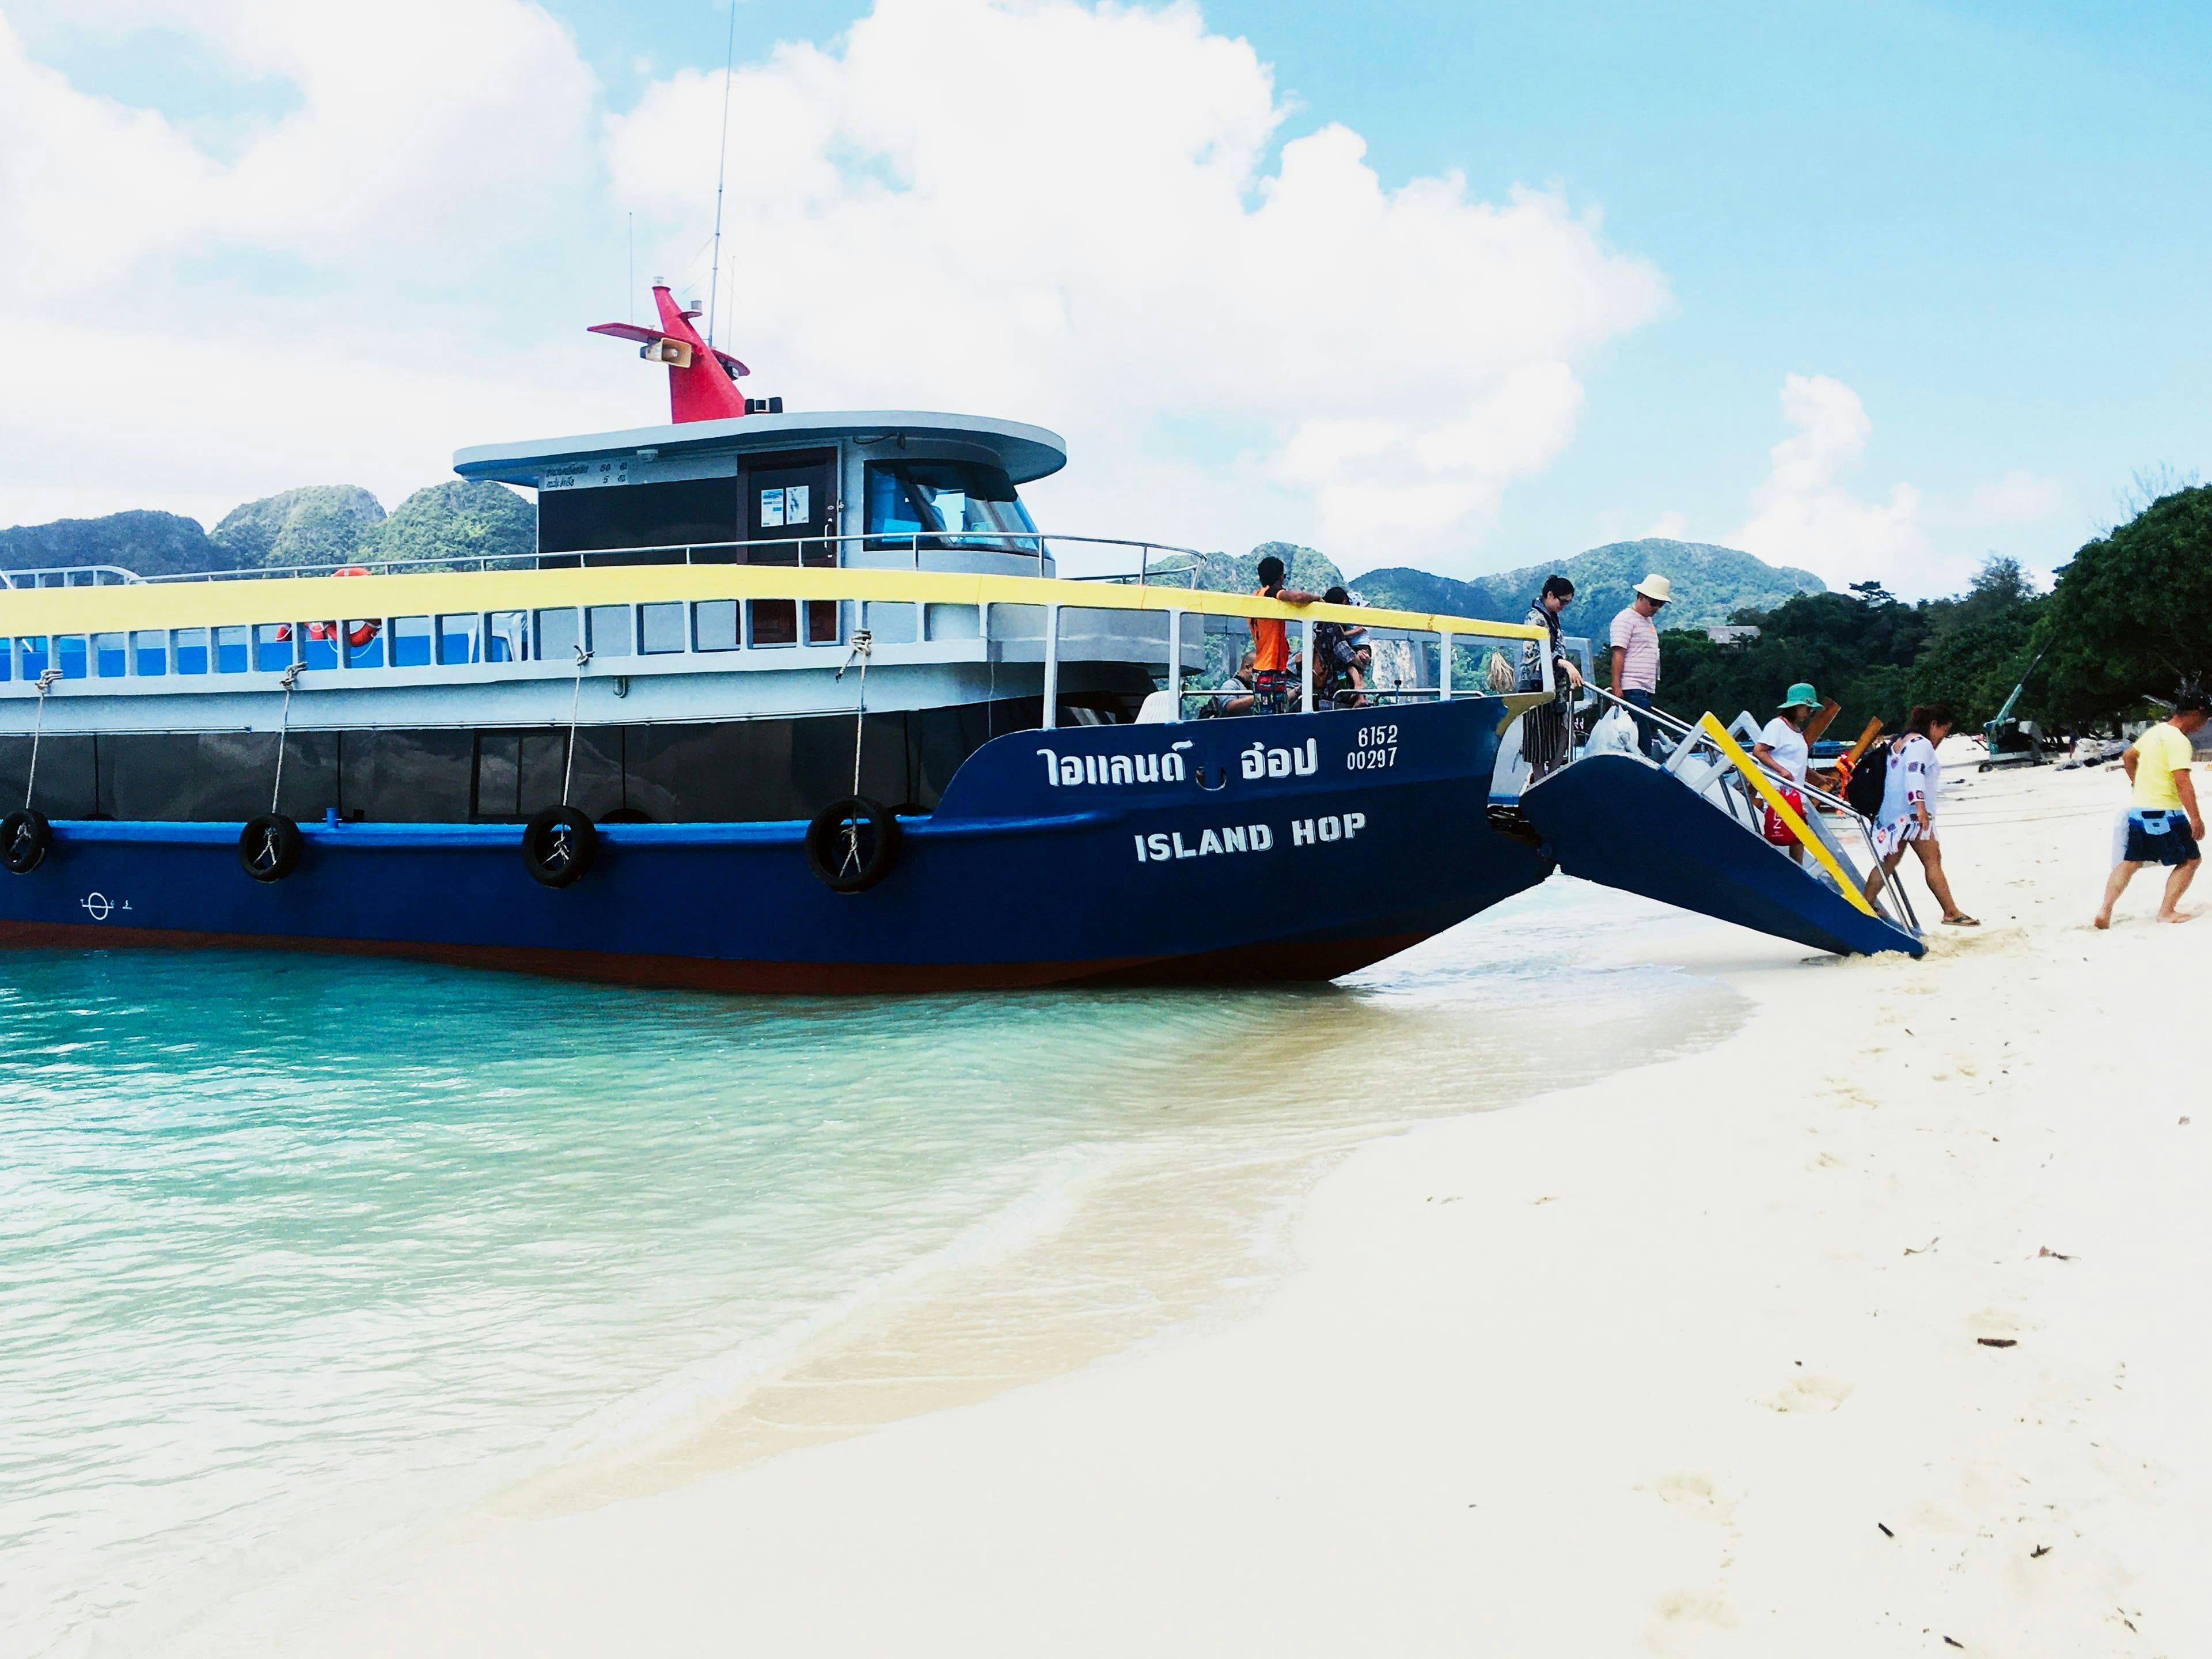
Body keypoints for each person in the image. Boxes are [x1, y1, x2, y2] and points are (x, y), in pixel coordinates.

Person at [2093, 691, 2206, 927]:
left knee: (2131, 861)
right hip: (2166, 812)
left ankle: (2105, 910)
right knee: (2191, 859)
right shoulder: (2178, 740)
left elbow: (2128, 756)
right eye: (2206, 718)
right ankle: (2166, 911)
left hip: (2139, 810)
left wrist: (2136, 783)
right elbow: (2182, 782)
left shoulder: (2155, 732)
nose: (2205, 724)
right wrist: (2196, 819)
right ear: (2196, 714)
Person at [1863, 703, 1978, 925]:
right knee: (1932, 861)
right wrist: (1921, 809)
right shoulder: (1922, 744)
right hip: (1913, 816)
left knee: (1887, 863)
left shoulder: (1900, 741)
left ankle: (1866, 902)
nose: (1944, 736)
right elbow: (1914, 775)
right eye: (1944, 730)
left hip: (1892, 815)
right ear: (1933, 725)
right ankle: (1951, 912)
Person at [1518, 575, 1583, 778]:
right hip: (1536, 687)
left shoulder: (1551, 617)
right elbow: (1535, 652)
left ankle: (1551, 775)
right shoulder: (1535, 617)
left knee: (1562, 729)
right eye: (1562, 601)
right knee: (1538, 740)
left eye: (1567, 603)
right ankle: (1539, 780)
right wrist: (1564, 664)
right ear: (1550, 595)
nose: (1564, 606)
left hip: (1554, 686)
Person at [1753, 682, 1820, 861]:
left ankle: (1797, 872)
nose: (1809, 714)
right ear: (1796, 707)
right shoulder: (1777, 726)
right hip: (1780, 791)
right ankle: (1785, 871)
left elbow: (1796, 762)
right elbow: (1759, 751)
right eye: (1808, 709)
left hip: (1796, 793)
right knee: (1785, 835)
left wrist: (1818, 776)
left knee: (1798, 838)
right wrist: (1781, 770)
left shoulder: (1797, 731)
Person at [1608, 573, 1671, 757]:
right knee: (1641, 738)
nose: (1656, 608)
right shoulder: (1625, 619)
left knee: (1643, 734)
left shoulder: (1647, 622)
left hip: (1645, 688)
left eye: (1661, 604)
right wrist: (1617, 687)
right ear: (1641, 596)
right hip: (1632, 687)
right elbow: (1619, 653)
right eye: (1653, 602)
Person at [1312, 585, 1372, 706]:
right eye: (1345, 605)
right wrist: (1363, 663)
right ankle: (1360, 693)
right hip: (1337, 688)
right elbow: (1347, 655)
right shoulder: (1332, 626)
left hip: (1330, 686)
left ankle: (1360, 694)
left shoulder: (1321, 625)